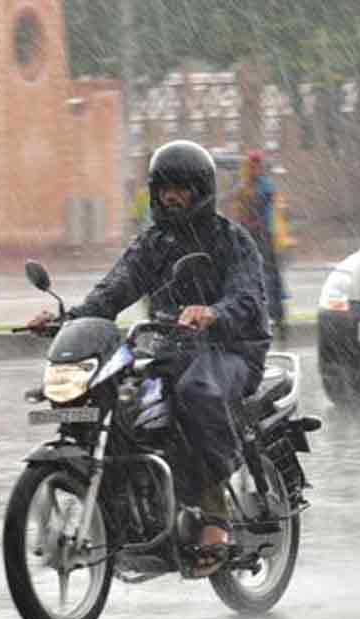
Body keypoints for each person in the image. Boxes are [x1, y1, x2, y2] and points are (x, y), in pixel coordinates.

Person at [26, 140, 271, 577]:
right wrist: (68, 318)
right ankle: (137, 503)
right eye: (164, 188)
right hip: (170, 346)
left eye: (181, 188)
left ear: (201, 191)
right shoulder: (154, 243)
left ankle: (216, 516)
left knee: (197, 391)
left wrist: (213, 313)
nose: (170, 197)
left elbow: (248, 298)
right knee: (122, 398)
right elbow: (115, 289)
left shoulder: (232, 241)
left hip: (232, 349)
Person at [232, 149, 287, 342]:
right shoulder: (244, 187)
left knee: (269, 280)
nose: (255, 168)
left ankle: (276, 319)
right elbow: (239, 213)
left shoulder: (265, 187)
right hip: (250, 238)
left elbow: (268, 209)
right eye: (252, 165)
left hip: (264, 238)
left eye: (258, 165)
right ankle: (259, 319)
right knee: (250, 280)